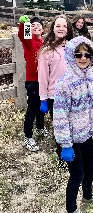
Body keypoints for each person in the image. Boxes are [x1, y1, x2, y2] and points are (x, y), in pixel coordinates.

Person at [53, 36, 93, 213]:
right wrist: (65, 145)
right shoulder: (64, 83)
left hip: (86, 135)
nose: (83, 58)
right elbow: (60, 116)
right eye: (78, 54)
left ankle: (88, 195)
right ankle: (71, 209)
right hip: (70, 138)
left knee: (90, 167)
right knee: (77, 173)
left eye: (87, 54)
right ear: (71, 56)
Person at [18, 15, 47, 151]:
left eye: (38, 26)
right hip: (32, 81)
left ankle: (40, 128)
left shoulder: (45, 43)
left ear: (43, 30)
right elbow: (23, 36)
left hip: (44, 80)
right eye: (33, 25)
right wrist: (25, 24)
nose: (36, 27)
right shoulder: (29, 41)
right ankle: (28, 136)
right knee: (32, 109)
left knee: (42, 106)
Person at [38, 15, 74, 119]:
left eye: (64, 26)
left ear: (68, 29)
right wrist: (43, 98)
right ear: (53, 28)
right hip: (55, 96)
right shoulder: (46, 51)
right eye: (58, 26)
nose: (61, 29)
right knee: (61, 129)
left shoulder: (73, 47)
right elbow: (43, 77)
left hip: (73, 93)